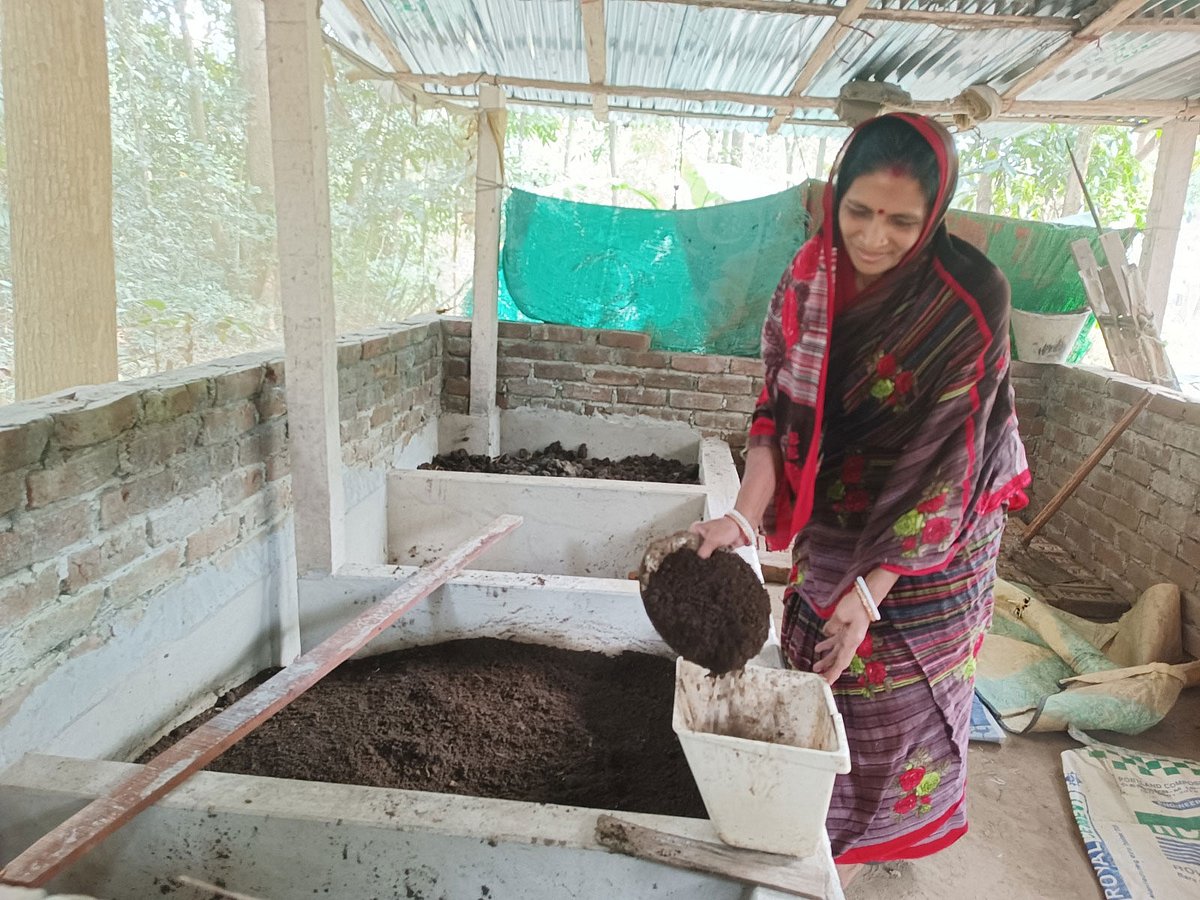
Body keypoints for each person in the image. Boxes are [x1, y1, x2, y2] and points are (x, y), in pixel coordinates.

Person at [691, 113, 1030, 880]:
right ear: (835, 196)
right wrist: (742, 515)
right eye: (860, 212)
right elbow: (777, 413)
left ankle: (848, 854)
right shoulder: (807, 278)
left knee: (894, 693)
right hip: (840, 505)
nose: (875, 238)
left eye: (902, 222)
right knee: (820, 661)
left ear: (934, 215)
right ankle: (809, 831)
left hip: (939, 530)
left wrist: (873, 591)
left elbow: (950, 462)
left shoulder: (971, 298)